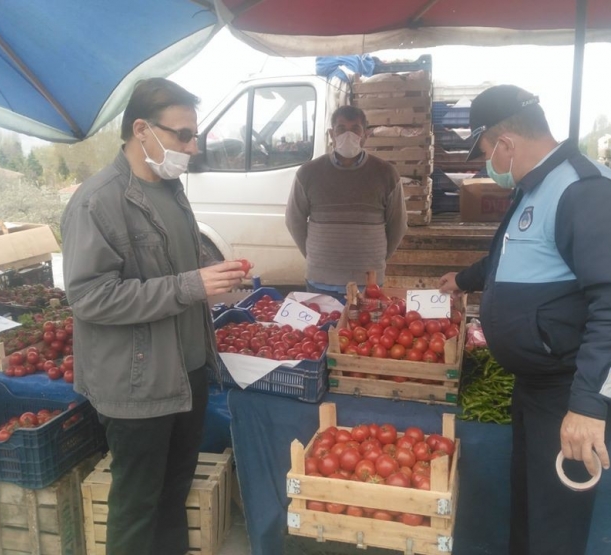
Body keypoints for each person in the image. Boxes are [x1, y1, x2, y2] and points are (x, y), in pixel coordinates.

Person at [439, 85, 611, 555]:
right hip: (536, 386)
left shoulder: (585, 190)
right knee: (531, 514)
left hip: (568, 392)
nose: (484, 166)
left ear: (507, 144)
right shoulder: (535, 185)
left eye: (486, 152)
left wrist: (588, 405)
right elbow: (515, 259)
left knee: (555, 529)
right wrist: (466, 278)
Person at [61, 78, 247, 555]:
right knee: (137, 502)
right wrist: (190, 285)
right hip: (137, 382)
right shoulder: (97, 202)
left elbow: (170, 272)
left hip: (186, 372)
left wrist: (211, 275)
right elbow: (91, 298)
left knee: (172, 493)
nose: (193, 145)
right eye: (183, 134)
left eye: (194, 134)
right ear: (141, 129)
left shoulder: (171, 187)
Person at [285, 105, 407, 299]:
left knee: (366, 330)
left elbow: (398, 224)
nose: (348, 134)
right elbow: (294, 220)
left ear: (365, 134)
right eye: (341, 129)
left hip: (368, 281)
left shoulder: (386, 173)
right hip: (321, 281)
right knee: (323, 330)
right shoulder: (308, 173)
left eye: (355, 128)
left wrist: (377, 259)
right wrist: (314, 256)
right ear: (332, 134)